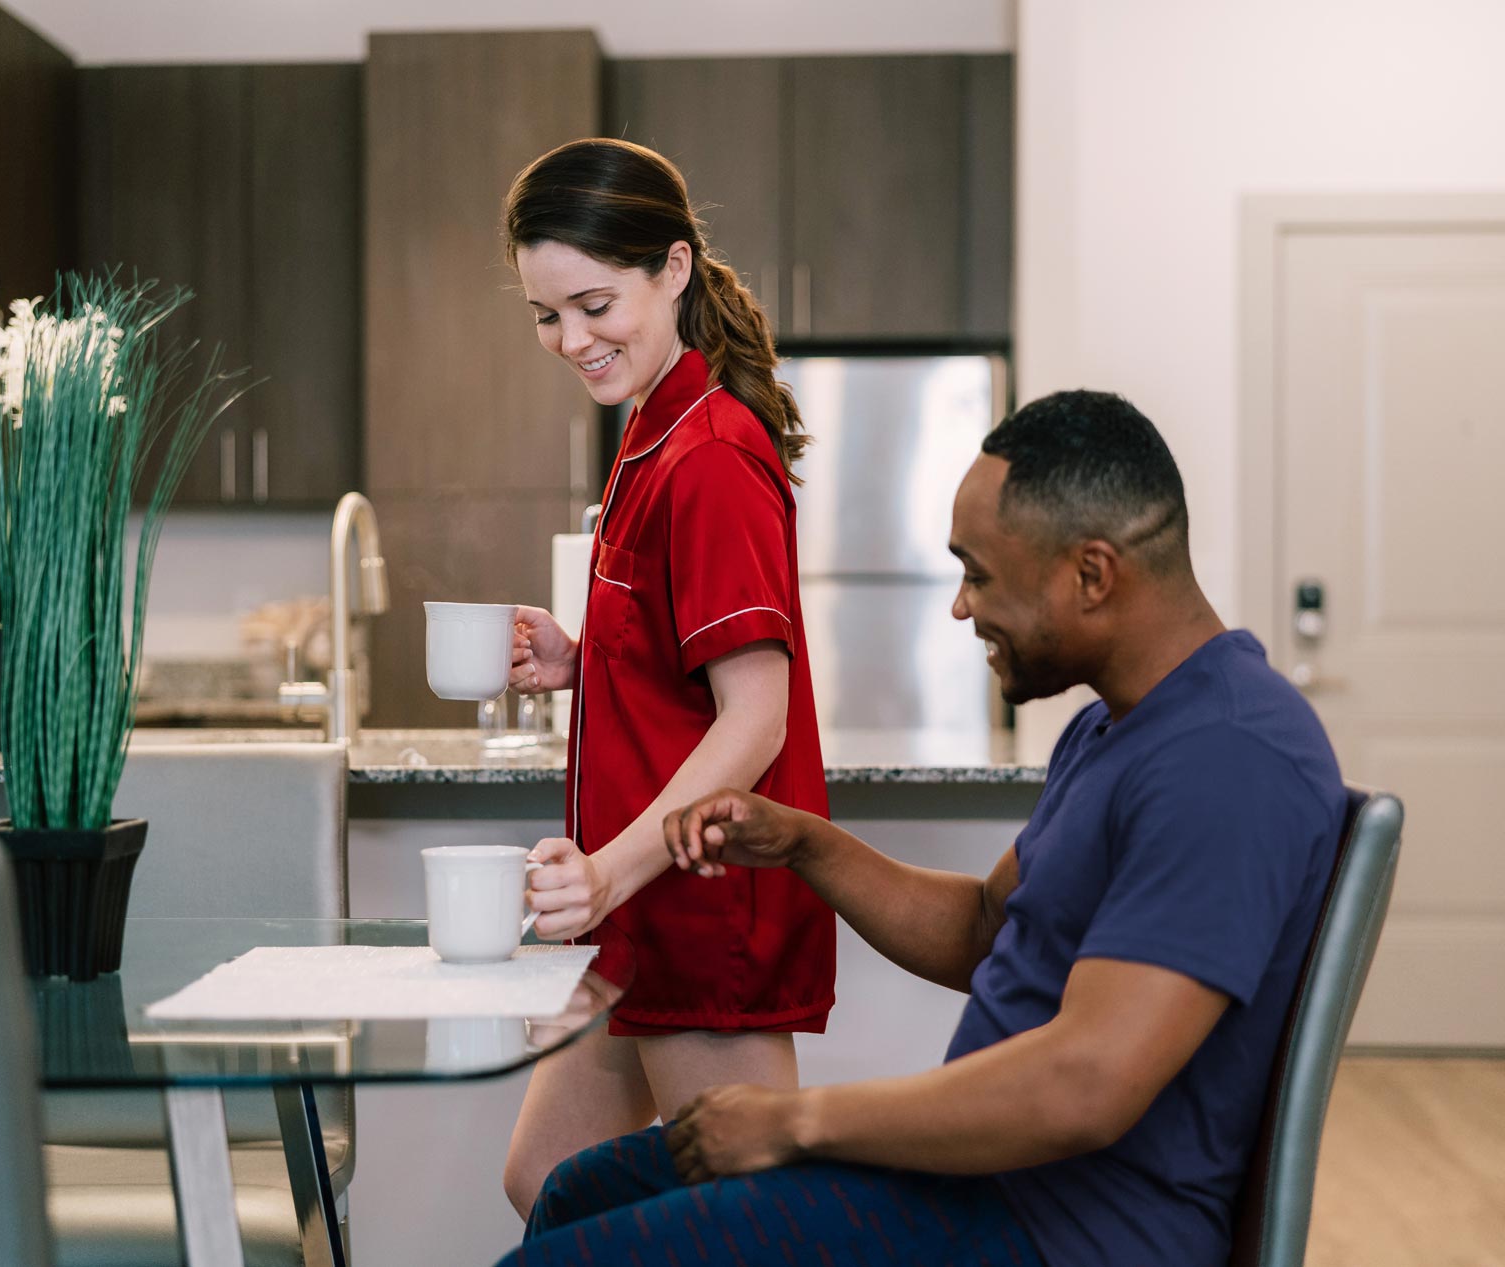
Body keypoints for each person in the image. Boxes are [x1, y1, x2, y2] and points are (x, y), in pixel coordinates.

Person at [496, 390, 1349, 1267]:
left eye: (980, 573)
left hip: (1060, 1233)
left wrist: (797, 1122)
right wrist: (802, 843)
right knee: (575, 1191)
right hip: (981, 1191)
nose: (961, 606)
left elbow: (1086, 1082)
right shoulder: (1120, 728)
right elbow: (984, 928)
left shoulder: (1227, 757)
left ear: (1093, 575)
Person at [497, 138, 837, 1216]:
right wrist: (583, 657)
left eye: (593, 304)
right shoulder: (653, 428)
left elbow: (755, 717)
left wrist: (602, 877)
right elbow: (680, 657)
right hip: (640, 909)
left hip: (697, 903)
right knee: (547, 1185)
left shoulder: (710, 455)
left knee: (744, 1225)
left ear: (674, 270)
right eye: (547, 315)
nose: (570, 339)